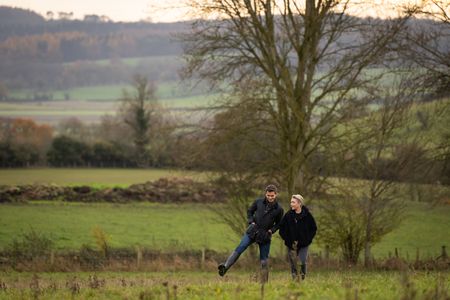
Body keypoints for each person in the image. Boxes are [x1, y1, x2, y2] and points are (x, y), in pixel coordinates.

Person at [218, 184, 284, 281]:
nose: (270, 197)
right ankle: (225, 267)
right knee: (240, 247)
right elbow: (250, 211)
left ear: (276, 195)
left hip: (265, 235)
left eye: (272, 196)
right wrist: (251, 221)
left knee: (264, 260)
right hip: (253, 231)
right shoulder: (258, 202)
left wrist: (272, 230)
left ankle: (264, 282)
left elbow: (279, 223)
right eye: (268, 195)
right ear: (265, 194)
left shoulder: (279, 209)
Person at [279, 194, 317, 280]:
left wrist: (308, 239)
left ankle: (302, 277)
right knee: (293, 262)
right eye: (291, 202)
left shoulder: (307, 215)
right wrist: (287, 240)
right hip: (291, 244)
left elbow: (313, 228)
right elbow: (281, 229)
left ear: (299, 203)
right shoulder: (288, 215)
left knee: (302, 261)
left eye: (293, 202)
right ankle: (295, 279)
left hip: (304, 244)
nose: (291, 204)